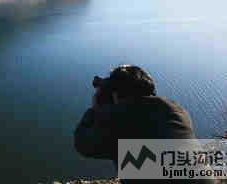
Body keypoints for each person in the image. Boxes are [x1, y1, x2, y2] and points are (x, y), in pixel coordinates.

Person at [74, 65, 215, 183]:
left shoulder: (119, 116)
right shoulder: (175, 109)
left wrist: (95, 108)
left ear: (116, 95)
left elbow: (83, 144)